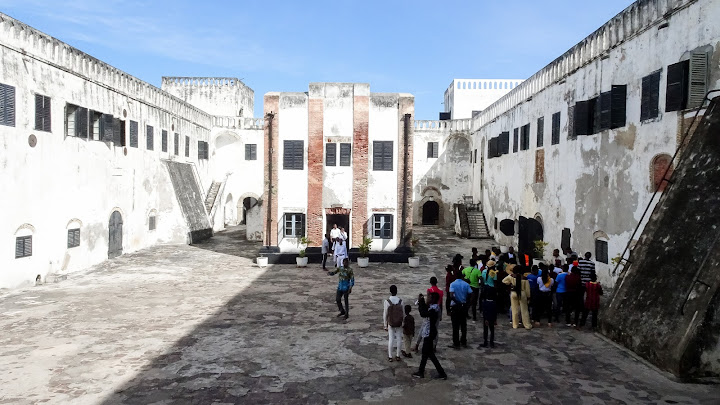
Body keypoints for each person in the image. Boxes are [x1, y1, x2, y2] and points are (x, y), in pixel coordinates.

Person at [412, 292, 447, 380]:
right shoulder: (433, 307)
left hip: (429, 333)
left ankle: (439, 373)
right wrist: (421, 302)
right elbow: (425, 310)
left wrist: (421, 303)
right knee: (427, 354)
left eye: (430, 297)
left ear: (433, 299)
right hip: (429, 333)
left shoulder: (434, 309)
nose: (428, 299)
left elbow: (423, 313)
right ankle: (422, 372)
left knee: (427, 353)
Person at [448, 269, 473, 349]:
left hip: (455, 306)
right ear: (462, 276)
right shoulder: (466, 284)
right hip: (463, 306)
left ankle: (456, 343)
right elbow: (471, 294)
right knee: (463, 324)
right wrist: (467, 303)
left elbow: (451, 295)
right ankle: (463, 341)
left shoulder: (452, 284)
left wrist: (457, 302)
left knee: (455, 326)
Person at [503, 265, 532, 329]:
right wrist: (528, 297)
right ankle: (527, 325)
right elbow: (527, 289)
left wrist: (510, 284)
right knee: (524, 310)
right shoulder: (524, 278)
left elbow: (504, 281)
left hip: (513, 293)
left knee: (514, 309)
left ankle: (515, 325)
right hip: (522, 293)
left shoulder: (511, 276)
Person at [383, 285, 404, 362]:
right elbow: (403, 313)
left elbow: (385, 314)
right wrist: (403, 322)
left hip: (391, 322)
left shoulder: (387, 302)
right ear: (396, 291)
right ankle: (398, 355)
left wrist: (385, 324)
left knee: (391, 339)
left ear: (390, 291)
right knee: (399, 338)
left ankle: (390, 356)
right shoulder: (401, 301)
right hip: (399, 322)